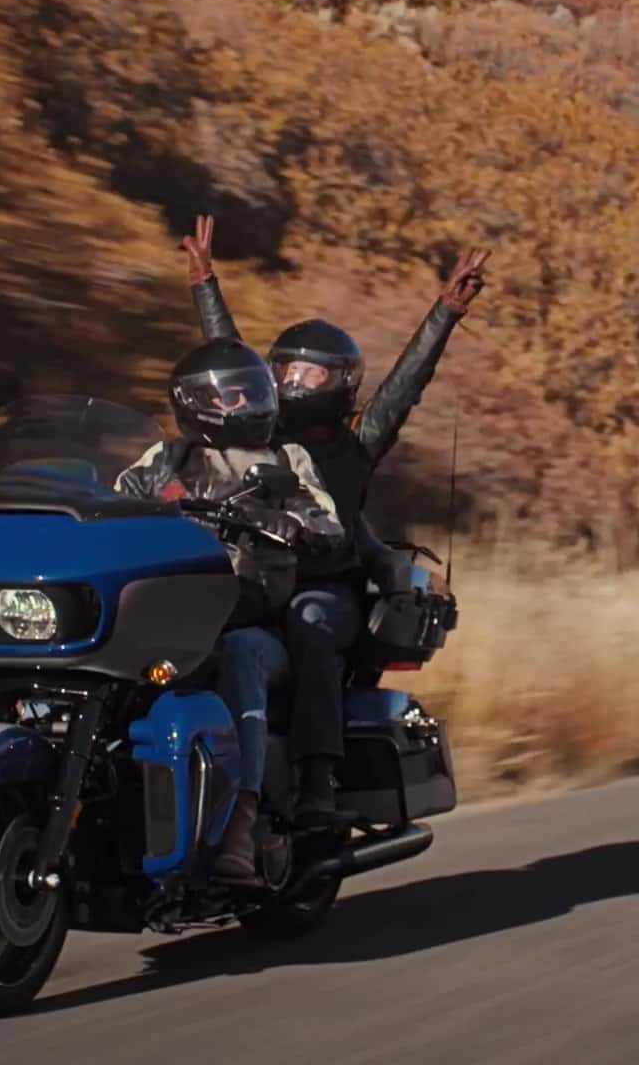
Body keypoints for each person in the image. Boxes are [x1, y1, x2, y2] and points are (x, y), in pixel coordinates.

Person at [181, 214, 490, 824]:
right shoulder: (261, 432)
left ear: (341, 382)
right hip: (254, 581)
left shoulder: (358, 442)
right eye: (286, 369)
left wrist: (445, 313)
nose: (294, 381)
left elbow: (404, 386)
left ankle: (318, 780)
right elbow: (230, 361)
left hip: (326, 589)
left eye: (310, 372)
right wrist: (204, 285)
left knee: (311, 622)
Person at [115, 336, 345, 879]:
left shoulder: (285, 458)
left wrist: (296, 523)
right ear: (198, 403)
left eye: (250, 393)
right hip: (166, 620)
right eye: (229, 396)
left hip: (253, 622)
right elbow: (113, 499)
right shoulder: (164, 460)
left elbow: (327, 521)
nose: (244, 405)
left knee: (241, 654)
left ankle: (240, 822)